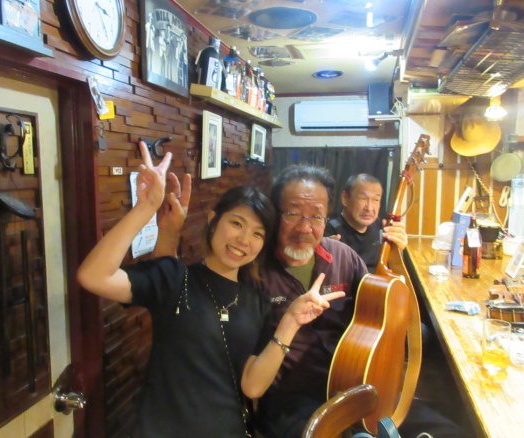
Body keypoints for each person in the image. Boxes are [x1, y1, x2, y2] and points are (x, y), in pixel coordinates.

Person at [76, 142, 344, 437]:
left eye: (257, 234)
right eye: (237, 224)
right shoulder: (175, 278)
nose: (244, 240)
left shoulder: (257, 300)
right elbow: (94, 276)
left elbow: (252, 386)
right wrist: (145, 208)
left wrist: (291, 321)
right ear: (213, 220)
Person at [256, 165, 408, 438]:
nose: (305, 228)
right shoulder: (255, 270)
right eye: (292, 214)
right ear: (274, 214)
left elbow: (386, 313)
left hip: (354, 381)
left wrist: (396, 262)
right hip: (290, 398)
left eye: (316, 216)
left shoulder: (343, 257)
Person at [324, 173, 395, 272]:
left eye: (376, 200)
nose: (369, 208)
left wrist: (397, 249)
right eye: (363, 198)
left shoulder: (381, 229)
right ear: (345, 198)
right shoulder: (329, 232)